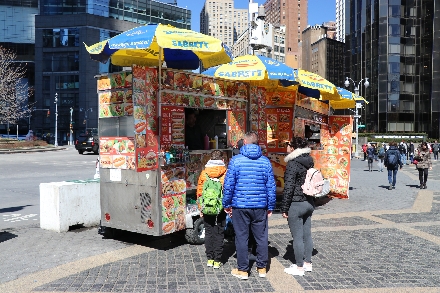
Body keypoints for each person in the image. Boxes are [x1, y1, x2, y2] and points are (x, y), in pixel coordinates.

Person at [222, 132, 276, 280]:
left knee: (241, 237)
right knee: (261, 237)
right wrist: (271, 205)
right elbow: (271, 186)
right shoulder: (265, 162)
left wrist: (226, 204)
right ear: (256, 143)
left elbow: (228, 185)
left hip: (240, 205)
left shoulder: (235, 161)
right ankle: (262, 268)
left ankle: (243, 270)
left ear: (245, 142)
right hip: (260, 206)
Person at [281, 137, 314, 276]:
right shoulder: (309, 160)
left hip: (296, 203)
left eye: (288, 144)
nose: (286, 147)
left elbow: (288, 188)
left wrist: (284, 208)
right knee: (307, 234)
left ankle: (299, 267)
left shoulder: (293, 164)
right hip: (309, 202)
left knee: (297, 237)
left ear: (293, 148)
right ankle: (308, 263)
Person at [196, 150, 227, 269]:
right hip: (221, 206)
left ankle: (210, 258)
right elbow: (228, 191)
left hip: (207, 206)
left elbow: (199, 192)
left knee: (209, 231)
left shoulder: (204, 173)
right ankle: (217, 260)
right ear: (222, 160)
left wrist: (200, 208)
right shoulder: (225, 173)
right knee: (219, 231)